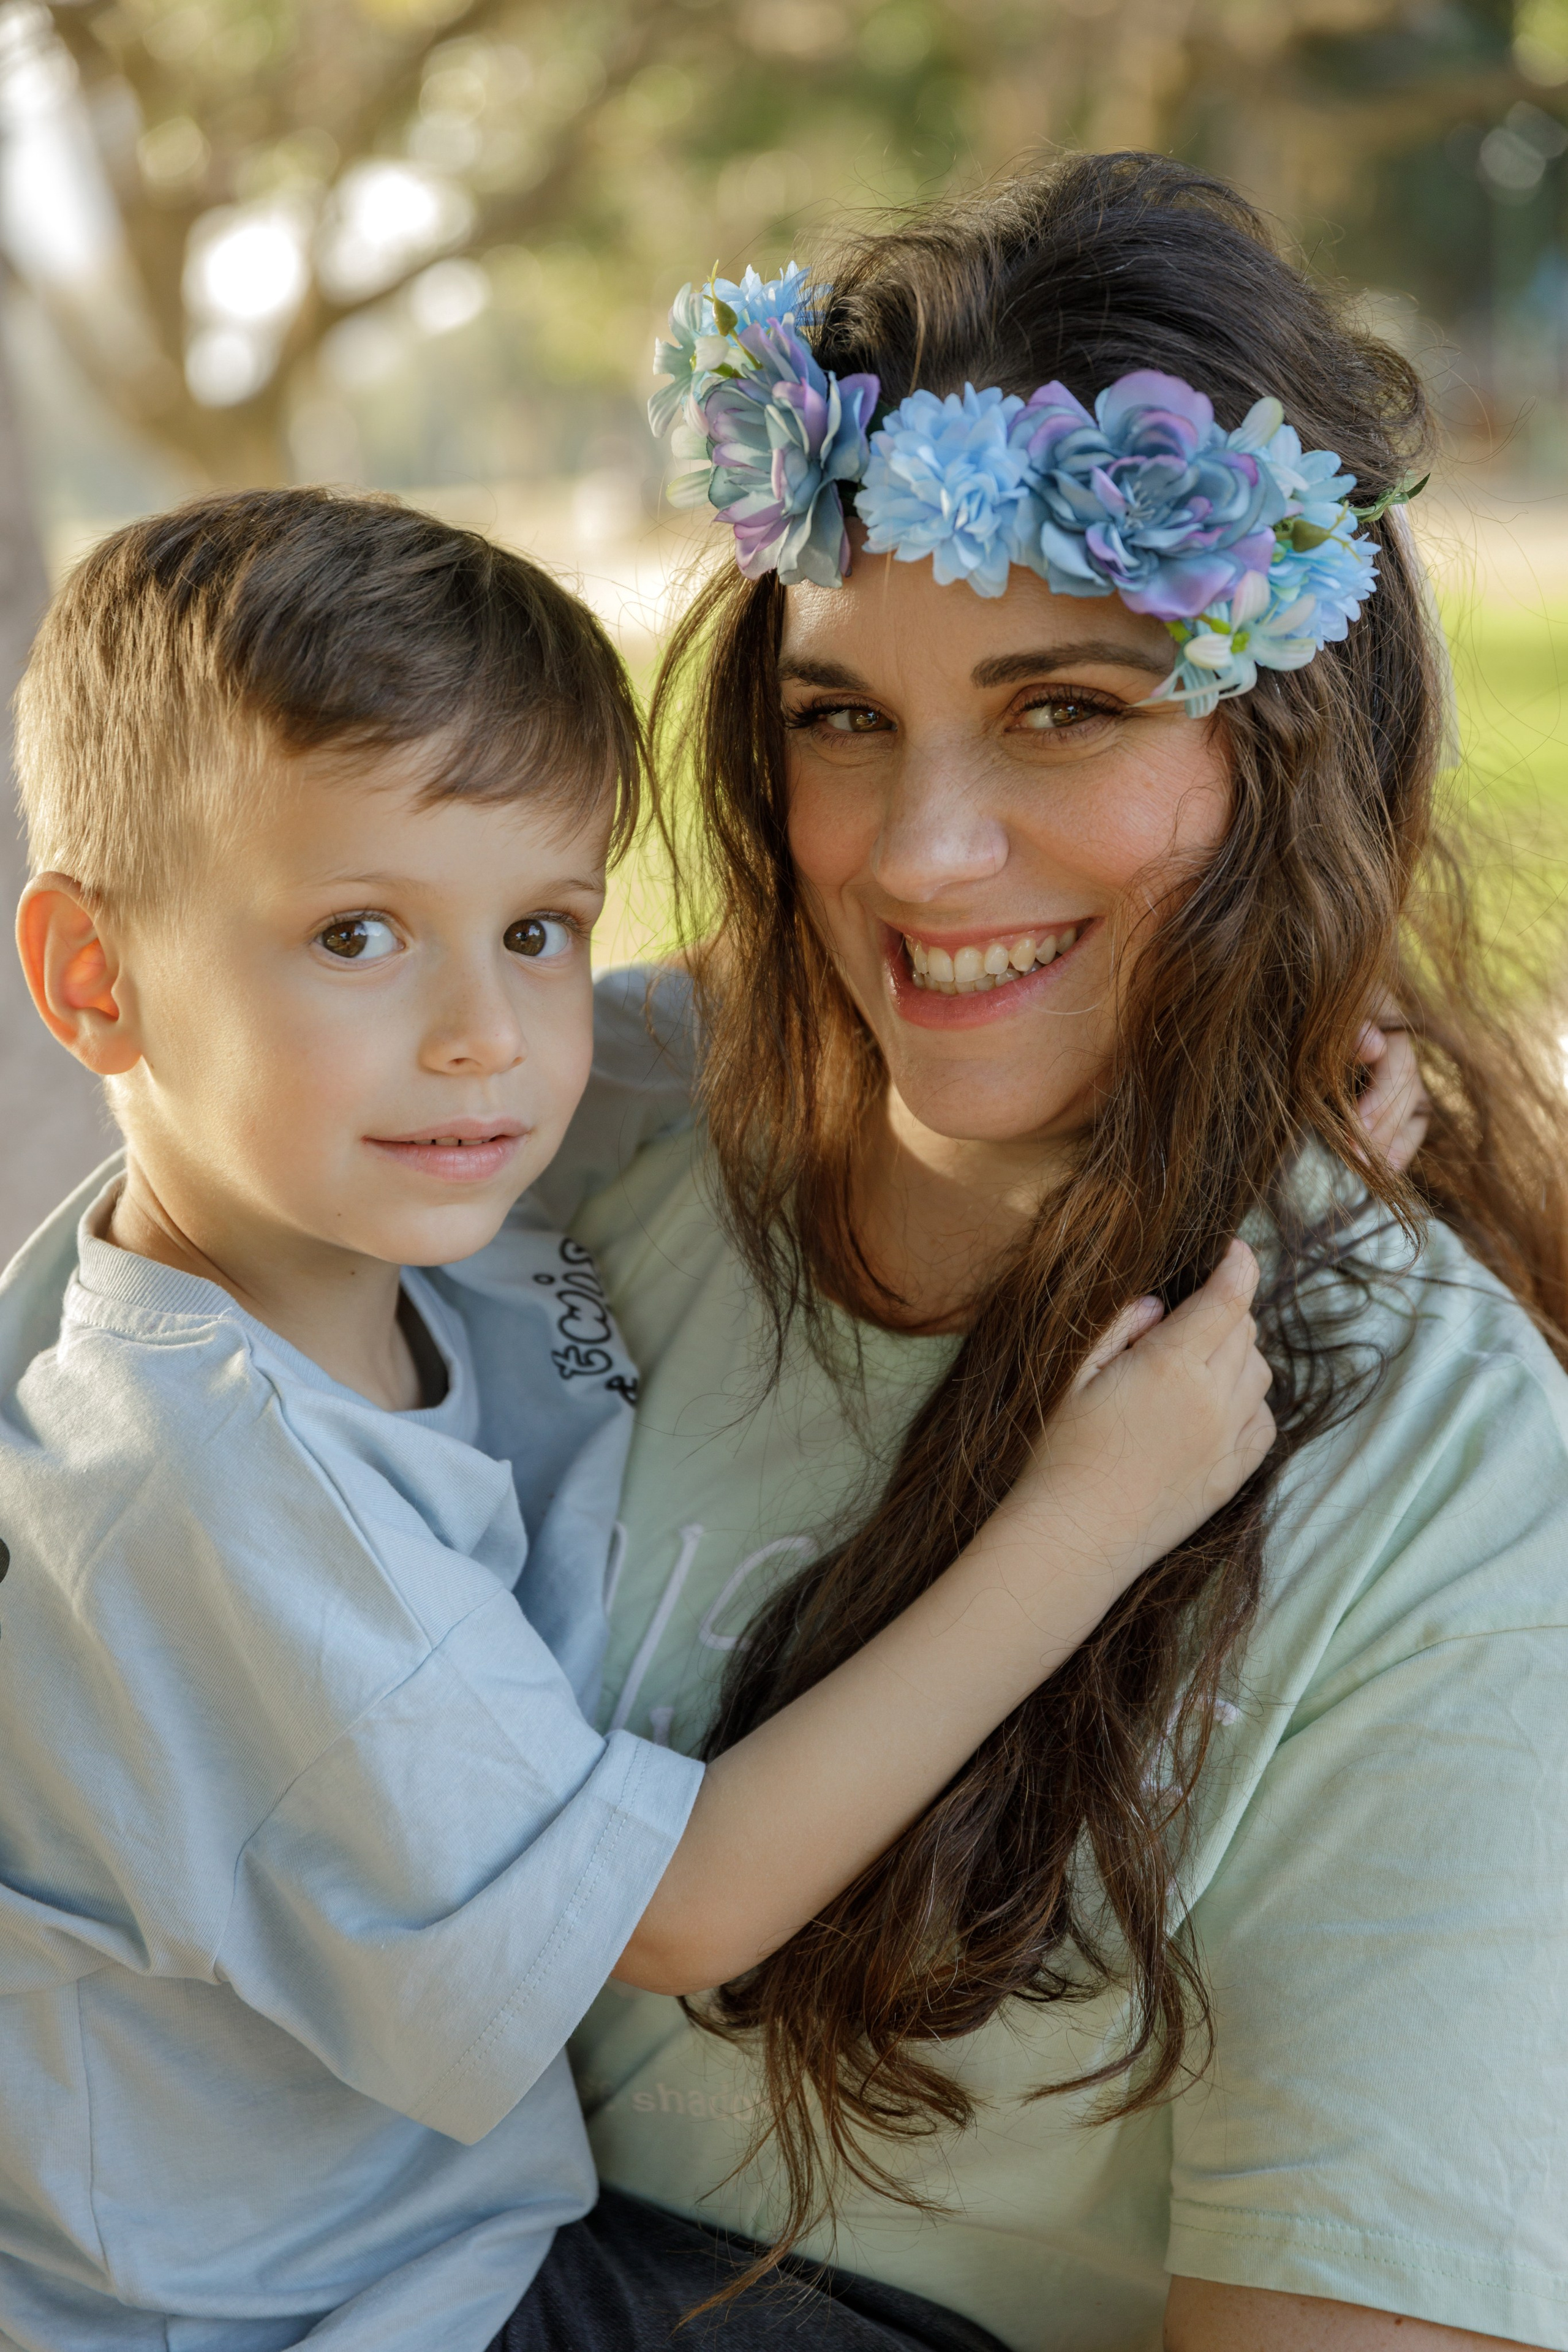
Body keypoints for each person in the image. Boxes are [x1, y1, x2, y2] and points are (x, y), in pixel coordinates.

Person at [0, 486, 1274, 2351]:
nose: (487, 1034)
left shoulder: (368, 1176)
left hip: (437, 2242)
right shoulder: (223, 1496)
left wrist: (1253, 1016)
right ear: (95, 981)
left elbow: (766, 1002)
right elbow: (675, 1916)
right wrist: (1090, 1512)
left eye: (539, 924)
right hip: (322, 2318)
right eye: (357, 935)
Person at [526, 156, 1568, 2352]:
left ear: (1300, 748)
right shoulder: (561, 1135)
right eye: (844, 718)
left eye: (1068, 708)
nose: (916, 852)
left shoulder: (1449, 1490)